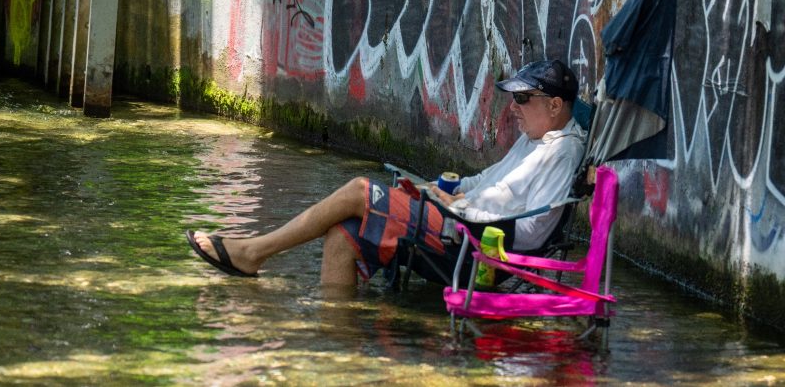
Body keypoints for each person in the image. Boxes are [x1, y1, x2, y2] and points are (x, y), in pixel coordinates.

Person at [187, 59, 586, 286]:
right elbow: (491, 179)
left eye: (522, 98)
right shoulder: (535, 137)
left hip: (478, 250)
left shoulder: (563, 151)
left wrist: (461, 209)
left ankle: (253, 252)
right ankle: (339, 345)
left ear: (554, 105)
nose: (512, 107)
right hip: (458, 224)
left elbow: (530, 231)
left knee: (360, 191)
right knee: (342, 234)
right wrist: (449, 190)